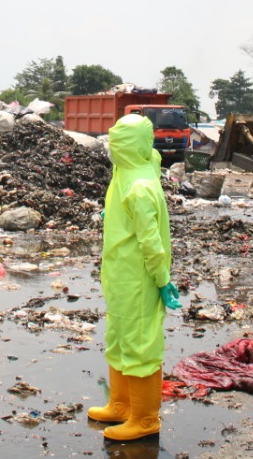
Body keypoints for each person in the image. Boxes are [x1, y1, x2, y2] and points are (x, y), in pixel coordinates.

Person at [87, 113, 179, 441]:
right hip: (119, 273)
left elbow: (152, 243)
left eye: (117, 143)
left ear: (126, 146)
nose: (111, 149)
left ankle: (144, 419)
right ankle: (120, 404)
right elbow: (149, 157)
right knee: (119, 339)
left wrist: (162, 279)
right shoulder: (129, 170)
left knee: (140, 346)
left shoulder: (139, 186)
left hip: (138, 278)